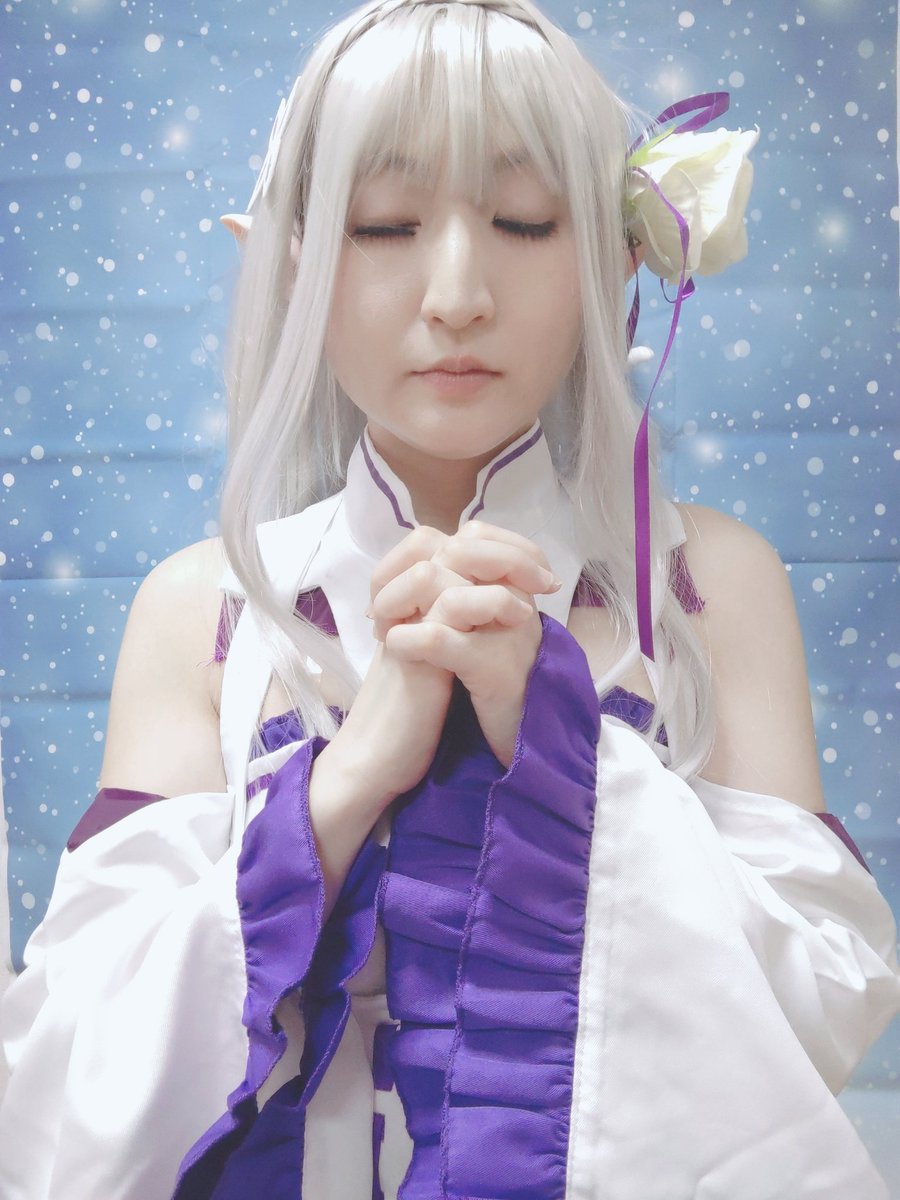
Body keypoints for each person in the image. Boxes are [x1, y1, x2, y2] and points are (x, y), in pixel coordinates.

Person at [1, 0, 898, 1196]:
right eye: (385, 223)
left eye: (525, 219)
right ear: (289, 262)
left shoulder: (705, 585)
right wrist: (344, 784)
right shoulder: (207, 609)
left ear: (619, 256)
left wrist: (560, 750)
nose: (459, 293)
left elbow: (822, 1013)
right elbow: (72, 1073)